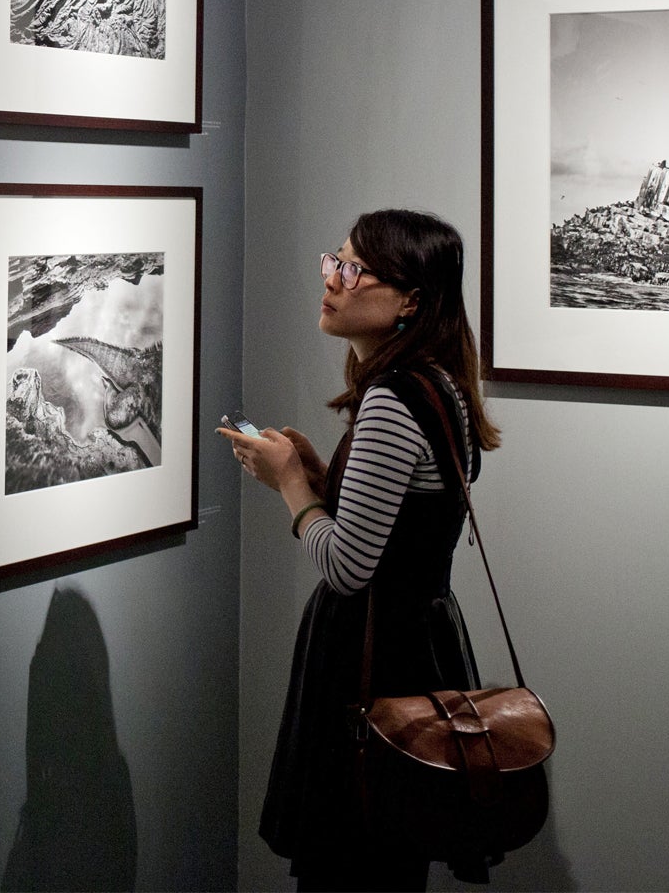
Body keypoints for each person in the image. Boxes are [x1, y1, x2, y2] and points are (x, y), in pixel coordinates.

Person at [220, 208, 504, 892]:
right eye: (333, 261)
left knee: (348, 864)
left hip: (369, 664)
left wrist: (290, 485)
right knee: (389, 862)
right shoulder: (443, 387)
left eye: (353, 270)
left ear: (410, 300)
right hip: (419, 646)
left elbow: (348, 568)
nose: (333, 281)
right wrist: (327, 481)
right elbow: (407, 527)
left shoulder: (391, 401)